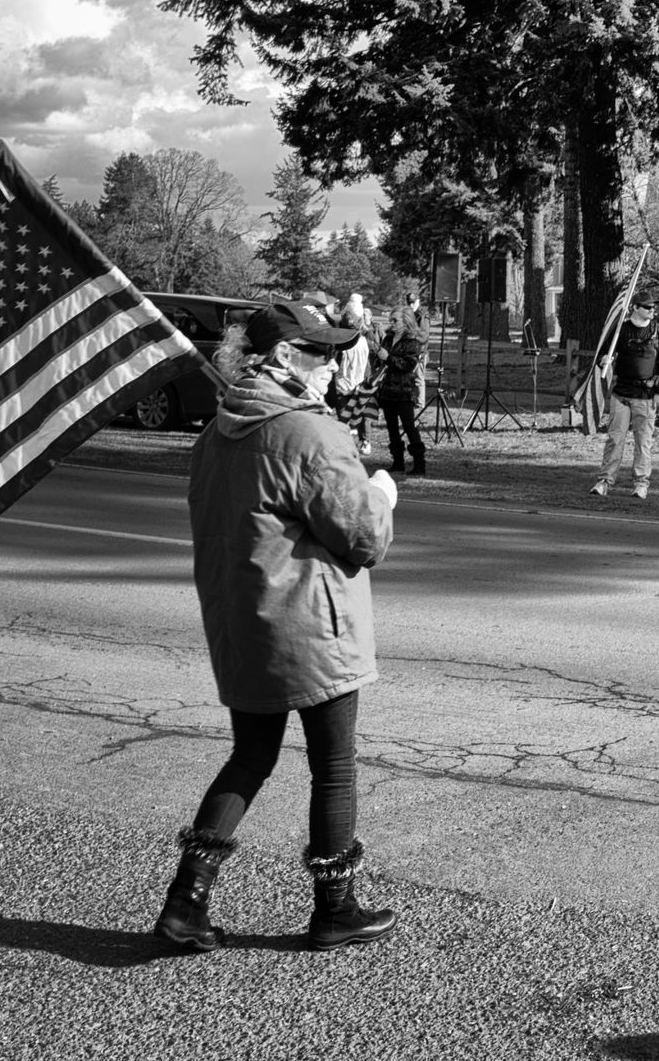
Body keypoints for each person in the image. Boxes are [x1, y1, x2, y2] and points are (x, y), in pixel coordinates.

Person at [154, 300, 399, 955]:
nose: (330, 364)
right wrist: (381, 494)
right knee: (335, 768)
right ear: (286, 358)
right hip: (312, 629)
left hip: (241, 624)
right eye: (319, 352)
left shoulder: (214, 433)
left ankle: (185, 902)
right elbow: (365, 538)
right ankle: (335, 910)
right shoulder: (310, 435)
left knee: (251, 756)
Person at [592, 292, 659, 499]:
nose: (651, 310)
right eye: (647, 307)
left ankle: (641, 484)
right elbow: (604, 354)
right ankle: (604, 481)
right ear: (635, 308)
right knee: (615, 439)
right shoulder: (621, 331)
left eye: (653, 307)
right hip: (621, 395)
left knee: (643, 442)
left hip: (646, 397)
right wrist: (605, 361)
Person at [374, 308, 427, 477]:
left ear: (406, 321)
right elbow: (381, 360)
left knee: (409, 426)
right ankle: (398, 462)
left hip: (404, 390)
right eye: (391, 320)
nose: (392, 323)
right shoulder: (388, 338)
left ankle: (419, 463)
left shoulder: (412, 341)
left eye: (395, 320)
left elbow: (408, 365)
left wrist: (387, 357)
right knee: (391, 428)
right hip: (387, 389)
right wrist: (378, 354)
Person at [327, 295, 376, 453]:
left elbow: (337, 362)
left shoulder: (343, 342)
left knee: (345, 417)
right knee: (359, 415)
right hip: (358, 383)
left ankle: (348, 446)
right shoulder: (364, 340)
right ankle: (362, 442)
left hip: (344, 384)